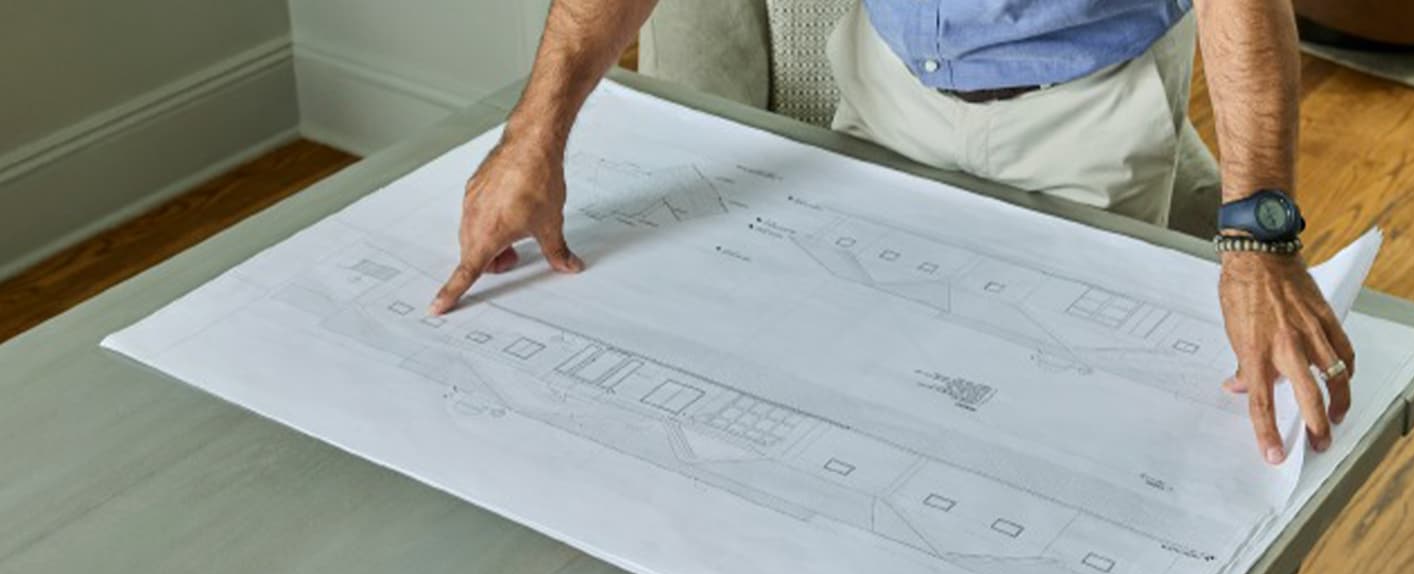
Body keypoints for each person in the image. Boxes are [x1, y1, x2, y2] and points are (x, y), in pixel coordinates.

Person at [428, 0, 1356, 467]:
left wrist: (1259, 240)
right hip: (891, 84)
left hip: (1080, 112)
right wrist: (535, 135)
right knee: (854, 395)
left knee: (1042, 433)